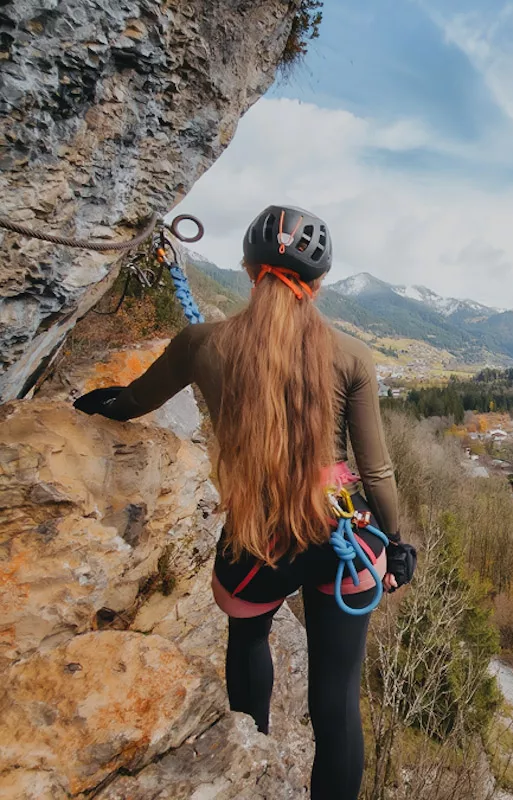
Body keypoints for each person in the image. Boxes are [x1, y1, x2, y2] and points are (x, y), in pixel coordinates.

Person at [74, 205, 417, 799]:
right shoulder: (352, 356)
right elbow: (376, 469)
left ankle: (248, 763)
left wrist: (91, 405)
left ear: (248, 269)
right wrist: (398, 539)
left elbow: (133, 400)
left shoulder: (201, 343)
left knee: (249, 640)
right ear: (318, 284)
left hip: (255, 543)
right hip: (340, 541)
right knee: (337, 709)